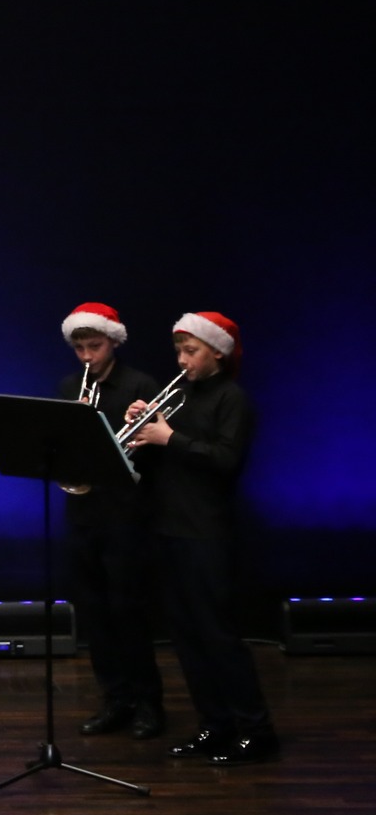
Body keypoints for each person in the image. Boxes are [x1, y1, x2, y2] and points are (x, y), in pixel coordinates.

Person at [126, 311, 275, 764]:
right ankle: (214, 725)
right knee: (186, 637)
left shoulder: (232, 398)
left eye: (190, 351)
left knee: (218, 636)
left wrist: (169, 437)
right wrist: (140, 429)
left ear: (218, 353)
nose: (181, 360)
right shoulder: (179, 396)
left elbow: (226, 460)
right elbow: (155, 463)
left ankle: (256, 730)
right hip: (168, 528)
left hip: (207, 532)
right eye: (179, 351)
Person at [55, 302, 167, 740]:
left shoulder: (140, 385)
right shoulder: (70, 387)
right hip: (83, 514)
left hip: (126, 515)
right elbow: (57, 449)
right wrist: (74, 425)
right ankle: (115, 700)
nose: (87, 356)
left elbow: (155, 457)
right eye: (79, 348)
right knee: (95, 614)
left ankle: (149, 704)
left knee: (128, 612)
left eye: (95, 346)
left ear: (113, 343)